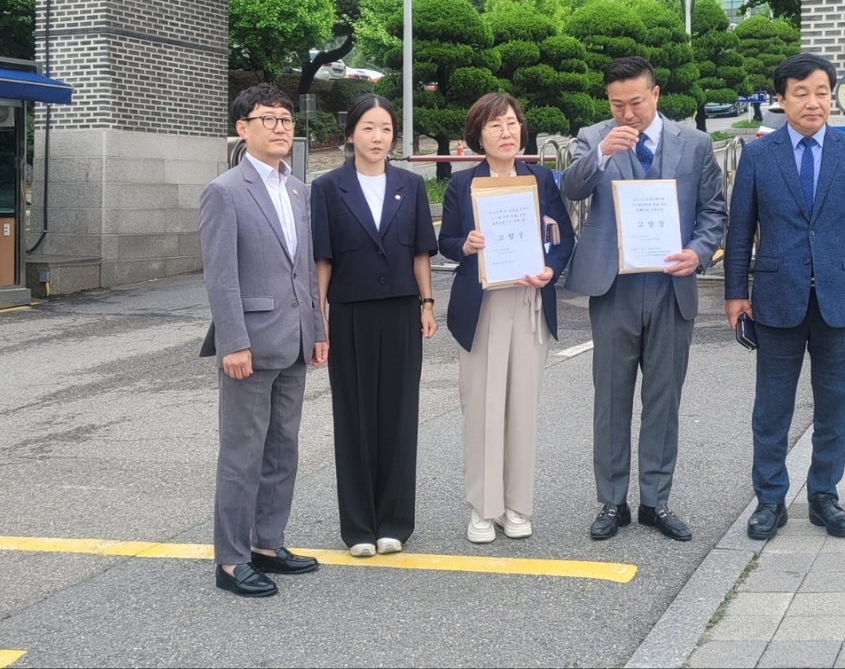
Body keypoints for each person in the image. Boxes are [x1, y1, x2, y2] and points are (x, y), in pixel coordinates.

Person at [561, 56, 727, 542]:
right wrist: (602, 155)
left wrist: (699, 253)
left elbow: (714, 208)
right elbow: (569, 187)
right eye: (617, 104)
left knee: (663, 397)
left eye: (635, 102)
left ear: (655, 95)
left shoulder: (693, 143)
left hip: (671, 284)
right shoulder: (594, 137)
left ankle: (656, 501)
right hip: (614, 286)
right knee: (611, 398)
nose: (627, 113)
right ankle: (612, 501)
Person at [723, 53, 845, 542]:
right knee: (771, 407)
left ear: (831, 96)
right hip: (776, 299)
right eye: (801, 92)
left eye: (821, 91)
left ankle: (824, 496)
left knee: (836, 406)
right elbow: (740, 232)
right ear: (781, 100)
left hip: (841, 298)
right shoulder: (758, 155)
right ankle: (770, 500)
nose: (813, 102)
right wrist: (736, 294)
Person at [200, 83, 327, 598]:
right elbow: (220, 275)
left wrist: (317, 331)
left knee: (282, 450)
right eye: (269, 119)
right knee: (242, 453)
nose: (280, 127)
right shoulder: (225, 191)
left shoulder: (298, 189)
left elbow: (305, 267)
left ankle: (267, 544)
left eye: (286, 119)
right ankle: (230, 560)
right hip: (248, 344)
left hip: (294, 340)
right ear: (242, 127)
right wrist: (232, 341)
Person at [439, 93, 575, 544]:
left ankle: (516, 506)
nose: (507, 132)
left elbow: (563, 236)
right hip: (481, 305)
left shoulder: (540, 178)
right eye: (496, 125)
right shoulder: (463, 184)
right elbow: (447, 241)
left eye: (513, 124)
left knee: (521, 407)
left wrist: (550, 268)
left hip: (528, 301)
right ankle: (483, 508)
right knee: (480, 408)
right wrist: (467, 245)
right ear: (478, 133)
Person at [311, 94, 438, 558]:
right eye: (368, 127)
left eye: (386, 128)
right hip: (350, 312)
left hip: (403, 309)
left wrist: (427, 303)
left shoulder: (411, 185)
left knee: (400, 416)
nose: (378, 137)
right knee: (354, 417)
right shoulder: (327, 188)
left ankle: (395, 523)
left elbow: (420, 252)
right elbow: (322, 259)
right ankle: (360, 526)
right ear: (350, 134)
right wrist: (318, 318)